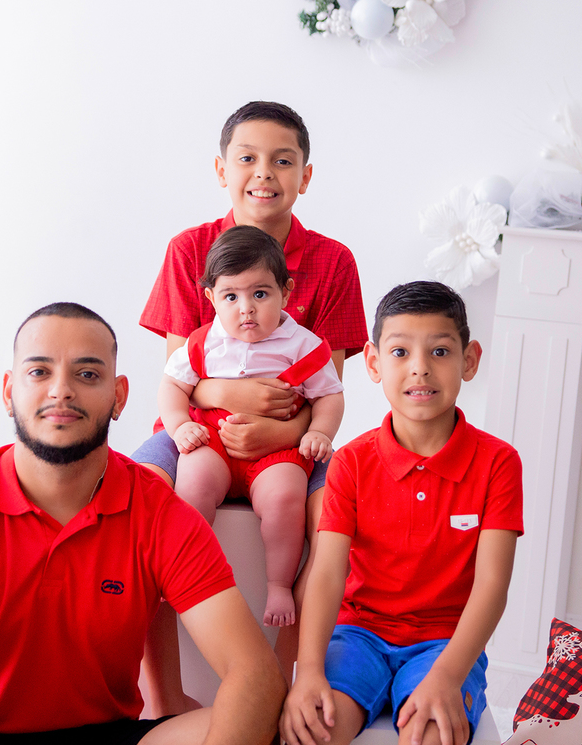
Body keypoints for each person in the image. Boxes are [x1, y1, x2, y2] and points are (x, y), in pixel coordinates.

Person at [0, 303, 286, 745]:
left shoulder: (163, 514)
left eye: (87, 374)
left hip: (106, 734)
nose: (61, 391)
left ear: (119, 396)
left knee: (238, 719)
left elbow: (254, 675)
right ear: (8, 391)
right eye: (38, 372)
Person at [135, 100, 367, 710]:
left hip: (292, 431)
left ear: (304, 177)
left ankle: (290, 679)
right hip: (191, 426)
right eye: (247, 158)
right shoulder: (190, 250)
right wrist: (223, 397)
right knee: (135, 497)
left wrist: (279, 434)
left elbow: (328, 386)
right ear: (222, 170)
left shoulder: (333, 261)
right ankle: (162, 694)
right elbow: (178, 375)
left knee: (337, 511)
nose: (264, 173)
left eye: (282, 160)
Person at [281, 282, 524, 745]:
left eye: (439, 351)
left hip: (446, 644)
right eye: (399, 352)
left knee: (431, 734)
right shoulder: (350, 461)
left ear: (469, 360)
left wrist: (448, 675)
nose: (419, 368)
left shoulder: (499, 463)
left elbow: (493, 584)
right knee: (312, 731)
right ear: (373, 362)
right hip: (359, 635)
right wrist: (308, 670)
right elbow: (328, 573)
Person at [159, 225, 345, 628]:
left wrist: (319, 432)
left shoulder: (304, 345)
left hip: (277, 450)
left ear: (286, 292)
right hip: (214, 441)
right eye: (231, 296)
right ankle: (184, 571)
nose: (246, 308)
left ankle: (278, 584)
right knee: (191, 486)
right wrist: (178, 428)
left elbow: (329, 395)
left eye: (260, 294)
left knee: (284, 499)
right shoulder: (202, 342)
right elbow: (173, 386)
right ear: (211, 298)